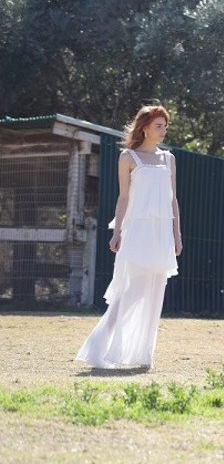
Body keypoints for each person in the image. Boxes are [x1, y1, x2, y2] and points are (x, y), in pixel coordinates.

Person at [76, 104, 183, 370]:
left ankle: (143, 356)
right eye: (159, 125)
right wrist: (117, 232)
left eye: (165, 126)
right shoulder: (128, 157)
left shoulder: (169, 159)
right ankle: (99, 348)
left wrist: (177, 235)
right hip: (137, 230)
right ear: (144, 127)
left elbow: (173, 200)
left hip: (161, 232)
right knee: (131, 291)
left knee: (154, 292)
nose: (164, 130)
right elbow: (123, 198)